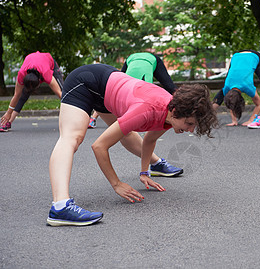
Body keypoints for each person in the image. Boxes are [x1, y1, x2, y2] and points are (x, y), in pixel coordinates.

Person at [46, 64, 218, 226]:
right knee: (72, 138)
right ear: (175, 112)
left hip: (106, 90)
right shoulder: (147, 111)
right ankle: (60, 207)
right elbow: (99, 146)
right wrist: (117, 184)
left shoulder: (170, 116)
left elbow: (150, 139)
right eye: (188, 123)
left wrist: (144, 172)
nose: (190, 129)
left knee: (126, 133)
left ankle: (156, 165)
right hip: (85, 81)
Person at [88, 53, 182, 178]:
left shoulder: (145, 90)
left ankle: (156, 163)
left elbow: (170, 91)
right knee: (126, 127)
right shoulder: (141, 101)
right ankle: (156, 163)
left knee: (171, 89)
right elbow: (99, 146)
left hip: (150, 60)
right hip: (127, 66)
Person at [88, 52, 177, 128]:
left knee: (169, 87)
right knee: (111, 91)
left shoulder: (146, 85)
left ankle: (183, 107)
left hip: (151, 59)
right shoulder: (125, 84)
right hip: (131, 59)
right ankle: (92, 119)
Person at [212, 50, 260, 126]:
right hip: (237, 56)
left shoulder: (248, 87)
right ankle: (206, 116)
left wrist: (251, 120)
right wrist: (234, 121)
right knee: (223, 94)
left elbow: (258, 104)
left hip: (254, 56)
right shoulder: (227, 87)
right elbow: (231, 101)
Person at [1, 52, 63, 132]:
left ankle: (72, 119)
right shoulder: (21, 74)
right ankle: (8, 122)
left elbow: (59, 94)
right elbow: (16, 96)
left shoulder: (46, 74)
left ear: (39, 83)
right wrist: (8, 113)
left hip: (48, 62)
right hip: (33, 61)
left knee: (63, 92)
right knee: (22, 96)